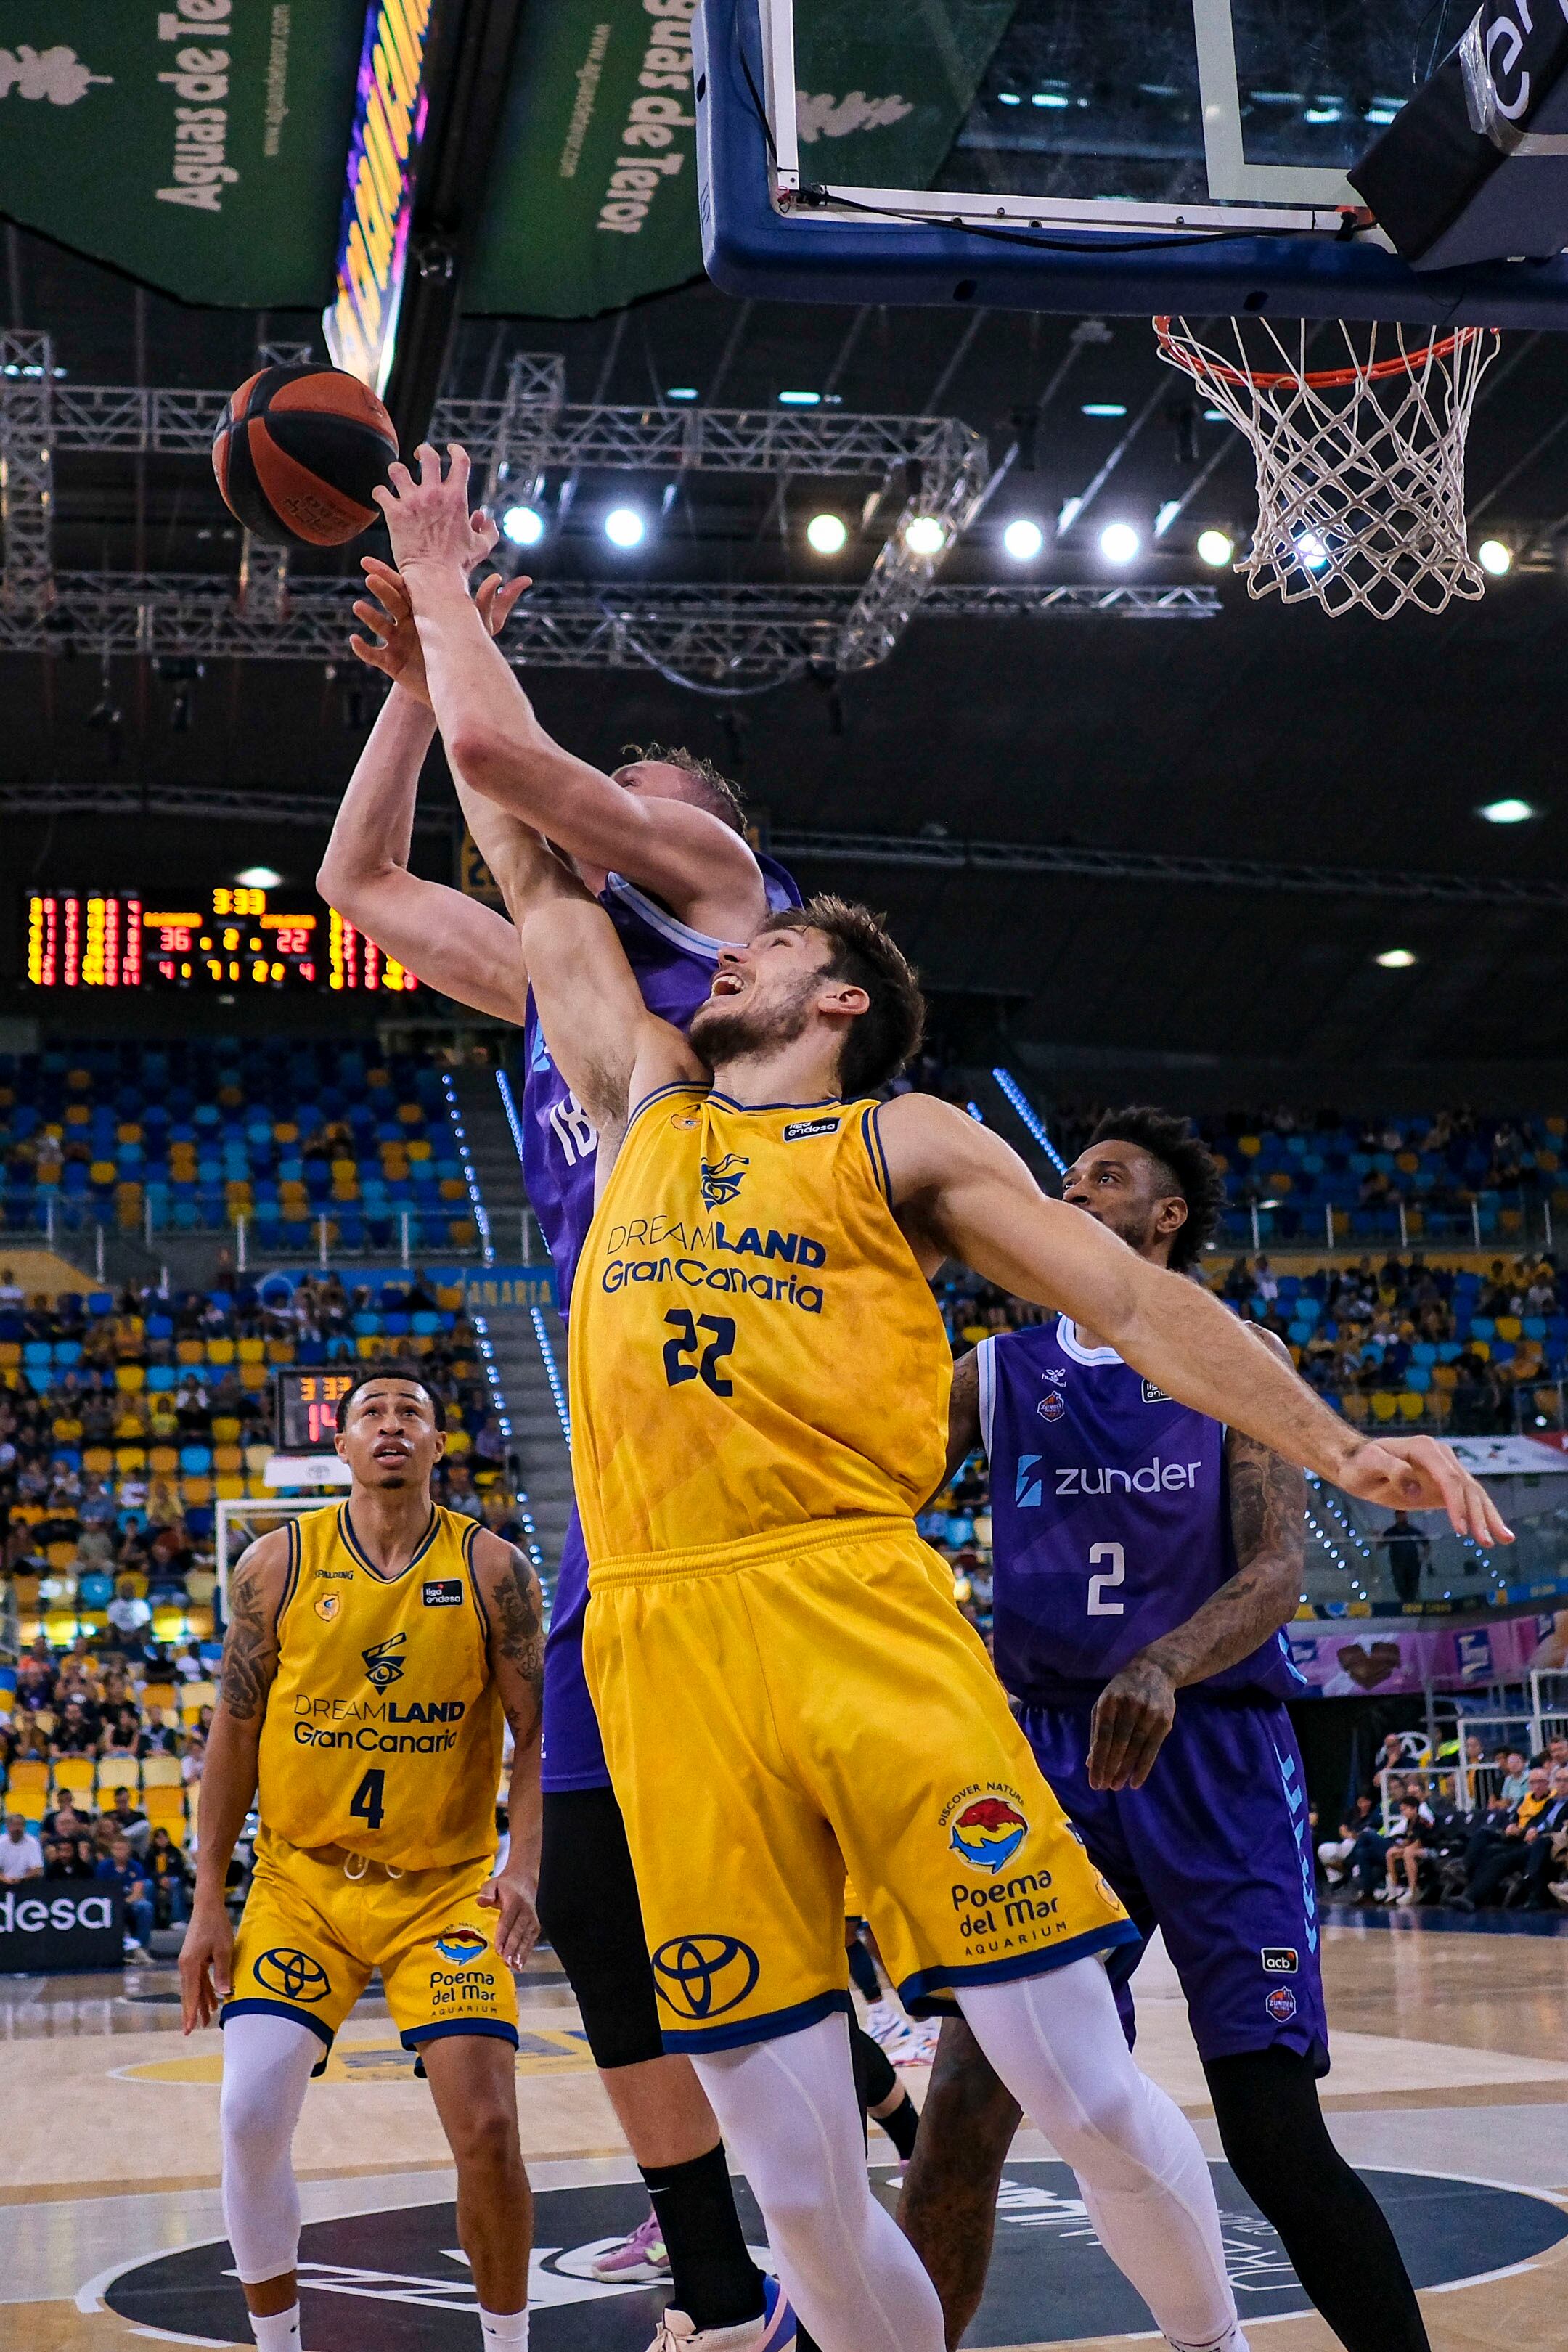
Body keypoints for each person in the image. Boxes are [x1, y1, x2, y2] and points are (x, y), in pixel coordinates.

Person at [375, 434, 1509, 2352]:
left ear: (830, 1000)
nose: (723, 952)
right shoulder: (631, 1089)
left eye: (772, 944)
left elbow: (1139, 1309)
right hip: (658, 1643)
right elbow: (501, 827)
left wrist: (1329, 1439)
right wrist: (428, 654)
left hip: (853, 1607)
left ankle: (1213, 2341)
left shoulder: (910, 1134)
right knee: (803, 2177)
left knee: (1068, 2077)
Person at [320, 542, 804, 2346]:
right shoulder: (550, 986)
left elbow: (525, 779)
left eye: (643, 799)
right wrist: (401, 684)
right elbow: (357, 875)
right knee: (599, 1889)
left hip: (760, 1444)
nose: (620, 821)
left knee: (786, 1864)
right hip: (620, 1471)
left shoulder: (726, 916)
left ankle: (904, 2102)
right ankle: (718, 2274)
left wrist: (443, 603)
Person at [898, 1109, 1433, 2352]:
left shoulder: (1235, 1356)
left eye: (1107, 1177)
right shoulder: (994, 1373)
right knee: (968, 2100)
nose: (1074, 1191)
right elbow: (864, 1487)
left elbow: (1280, 1569)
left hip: (1215, 1753)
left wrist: (1166, 1663)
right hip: (1043, 1762)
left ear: (1166, 1216)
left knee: (1270, 2128)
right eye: (1067, 1177)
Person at [179, 1368, 546, 2352]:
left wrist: (526, 1864)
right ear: (340, 1448)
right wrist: (207, 1898)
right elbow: (232, 1738)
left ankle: (506, 2347)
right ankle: (279, 2344)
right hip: (303, 1884)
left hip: (445, 1892)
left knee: (490, 2130)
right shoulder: (275, 1565)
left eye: (411, 1414)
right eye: (371, 1415)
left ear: (438, 1446)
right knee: (251, 2112)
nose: (390, 1425)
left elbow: (535, 1735)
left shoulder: (493, 1570)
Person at [97, 1834, 155, 1957]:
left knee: (146, 1906)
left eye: (123, 1849)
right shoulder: (104, 1867)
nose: (120, 1852)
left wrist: (126, 1902)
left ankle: (141, 1947)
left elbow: (138, 1892)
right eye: (117, 1849)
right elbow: (100, 1891)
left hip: (130, 1901)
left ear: (129, 1850)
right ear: (112, 1850)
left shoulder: (136, 1866)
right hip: (109, 1903)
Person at [1375, 1512, 1430, 1606]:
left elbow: (1426, 1544)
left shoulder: (1413, 1530)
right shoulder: (1391, 1532)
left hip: (1413, 1562)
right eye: (1400, 1516)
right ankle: (1404, 1604)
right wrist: (1378, 1537)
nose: (1402, 1518)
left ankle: (1412, 1604)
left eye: (1403, 1515)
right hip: (1397, 1563)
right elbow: (1380, 1546)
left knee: (1413, 1584)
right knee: (1400, 1584)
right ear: (1396, 1517)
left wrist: (1423, 1557)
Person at [1, 1812, 42, 1882]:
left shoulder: (33, 1842)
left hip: (26, 1883)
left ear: (25, 1827)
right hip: (3, 1883)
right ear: (7, 1827)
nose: (17, 1828)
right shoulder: (1, 1842)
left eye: (19, 1825)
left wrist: (21, 1879)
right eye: (14, 1825)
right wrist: (5, 1880)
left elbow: (38, 1870)